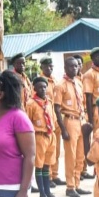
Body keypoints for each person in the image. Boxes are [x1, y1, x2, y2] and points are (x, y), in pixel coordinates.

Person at [27, 77, 63, 197]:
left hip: (50, 135)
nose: (43, 89)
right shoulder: (30, 103)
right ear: (34, 89)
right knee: (40, 166)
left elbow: (52, 117)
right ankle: (42, 195)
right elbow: (27, 123)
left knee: (48, 165)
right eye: (40, 87)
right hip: (39, 136)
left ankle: (48, 193)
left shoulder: (49, 102)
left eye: (45, 87)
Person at [57, 56, 89, 197]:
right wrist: (63, 129)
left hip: (80, 120)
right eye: (71, 66)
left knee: (80, 155)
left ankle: (77, 184)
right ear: (65, 68)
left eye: (76, 66)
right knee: (71, 156)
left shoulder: (79, 83)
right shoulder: (61, 85)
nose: (74, 69)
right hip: (69, 121)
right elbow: (57, 108)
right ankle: (70, 186)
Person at [40, 57, 65, 188]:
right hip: (46, 119)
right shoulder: (40, 82)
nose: (49, 68)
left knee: (56, 148)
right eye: (47, 66)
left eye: (51, 66)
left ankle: (55, 174)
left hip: (56, 117)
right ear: (42, 68)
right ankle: (48, 176)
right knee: (47, 150)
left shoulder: (55, 80)